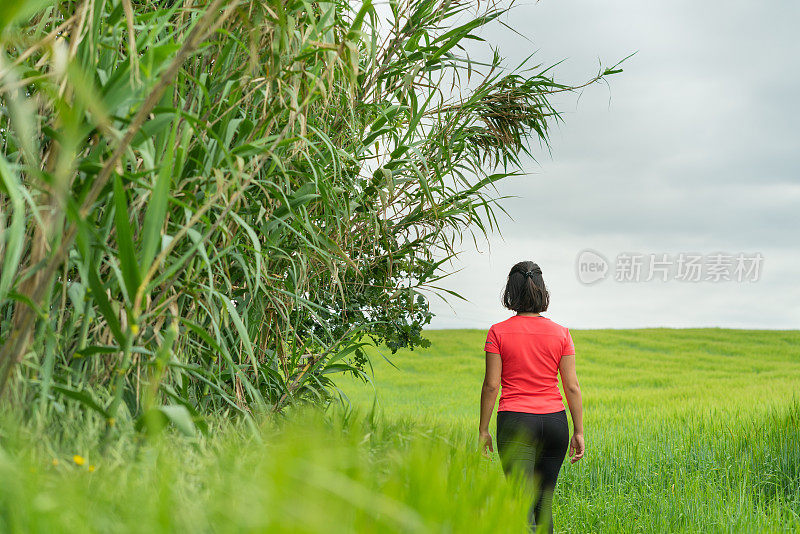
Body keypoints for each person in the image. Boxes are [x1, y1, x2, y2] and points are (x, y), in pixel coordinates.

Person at [478, 260, 584, 533]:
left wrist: (483, 430)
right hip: (555, 424)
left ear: (511, 292)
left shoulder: (498, 332)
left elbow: (491, 385)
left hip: (515, 422)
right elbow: (571, 386)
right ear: (542, 290)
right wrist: (579, 431)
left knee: (520, 506)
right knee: (543, 505)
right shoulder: (561, 333)